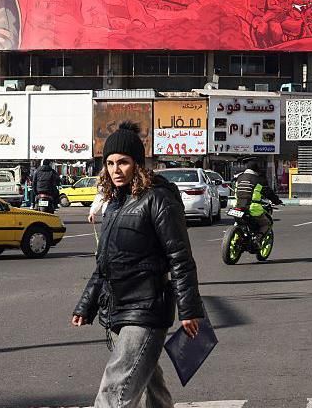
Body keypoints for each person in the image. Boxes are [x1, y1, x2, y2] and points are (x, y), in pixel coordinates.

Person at [72, 121, 204, 408]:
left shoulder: (158, 199)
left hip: (146, 309)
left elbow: (180, 258)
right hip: (119, 308)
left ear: (138, 164)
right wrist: (86, 304)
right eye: (109, 163)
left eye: (123, 162)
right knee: (150, 385)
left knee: (115, 389)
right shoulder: (116, 203)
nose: (116, 170)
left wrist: (189, 310)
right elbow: (105, 263)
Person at [233, 159, 281, 236]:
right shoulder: (259, 180)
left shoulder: (239, 178)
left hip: (237, 206)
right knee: (266, 224)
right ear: (256, 169)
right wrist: (277, 201)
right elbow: (268, 193)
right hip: (252, 208)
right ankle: (257, 239)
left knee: (239, 223)